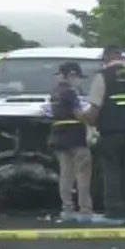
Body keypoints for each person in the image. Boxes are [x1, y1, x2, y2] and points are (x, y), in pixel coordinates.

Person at [78, 46, 125, 224]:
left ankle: (114, 211)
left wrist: (83, 118)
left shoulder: (103, 76)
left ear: (106, 58)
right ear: (121, 57)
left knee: (111, 169)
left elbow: (95, 108)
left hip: (110, 130)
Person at [50, 62, 93, 223]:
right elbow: (79, 115)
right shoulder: (70, 93)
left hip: (59, 138)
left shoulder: (54, 92)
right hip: (76, 138)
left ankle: (67, 209)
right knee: (83, 174)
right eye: (78, 77)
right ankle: (85, 210)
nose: (79, 81)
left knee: (66, 175)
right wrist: (92, 115)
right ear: (71, 76)